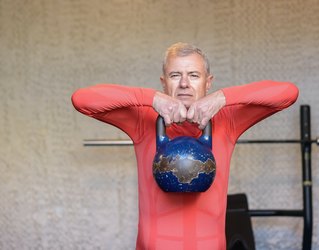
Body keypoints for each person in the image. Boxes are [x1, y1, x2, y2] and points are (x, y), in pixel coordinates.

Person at [71, 42, 299, 250]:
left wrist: (222, 98)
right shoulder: (143, 119)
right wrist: (152, 98)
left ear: (208, 82)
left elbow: (288, 93)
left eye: (193, 75)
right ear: (163, 82)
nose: (184, 84)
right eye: (175, 75)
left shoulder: (228, 120)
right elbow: (82, 99)